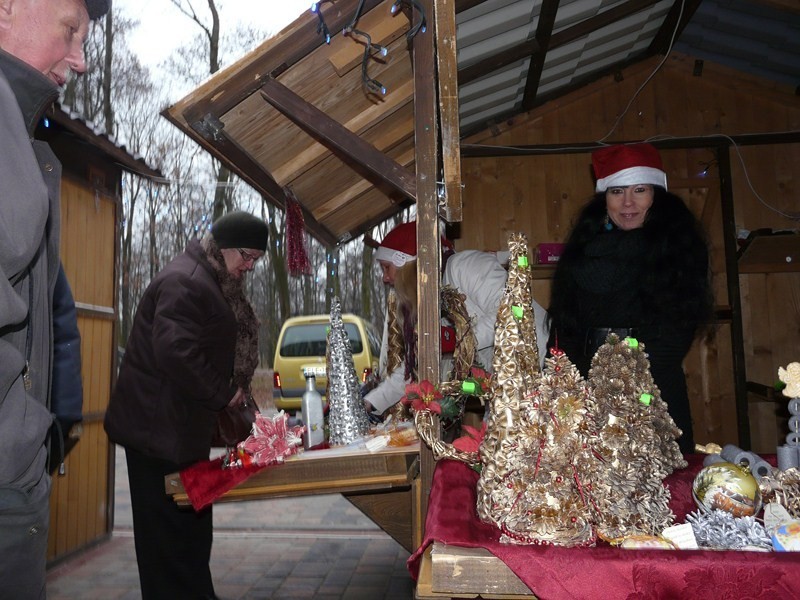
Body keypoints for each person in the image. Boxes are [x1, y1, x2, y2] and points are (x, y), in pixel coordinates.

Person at [0, 1, 110, 598]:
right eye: (70, 30)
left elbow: (52, 319)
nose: (82, 60)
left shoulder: (20, 135)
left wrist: (47, 425)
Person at [104, 210, 268, 600]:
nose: (249, 266)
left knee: (190, 533)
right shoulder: (187, 281)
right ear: (224, 246)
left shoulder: (207, 278)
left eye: (256, 260)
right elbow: (175, 350)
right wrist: (224, 392)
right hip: (157, 437)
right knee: (169, 543)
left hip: (175, 433)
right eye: (246, 256)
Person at [547, 143, 713, 454]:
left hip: (652, 394)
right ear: (604, 198)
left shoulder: (678, 249)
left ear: (656, 196)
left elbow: (675, 332)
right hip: (586, 392)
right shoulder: (582, 249)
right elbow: (564, 326)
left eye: (639, 190)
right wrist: (560, 384)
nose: (627, 203)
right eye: (616, 191)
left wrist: (629, 393)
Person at [364, 221, 549, 417]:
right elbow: (415, 365)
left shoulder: (464, 266)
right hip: (506, 389)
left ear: (406, 263)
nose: (385, 278)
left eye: (386, 267)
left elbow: (516, 310)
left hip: (543, 371)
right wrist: (371, 402)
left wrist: (458, 340)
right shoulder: (430, 304)